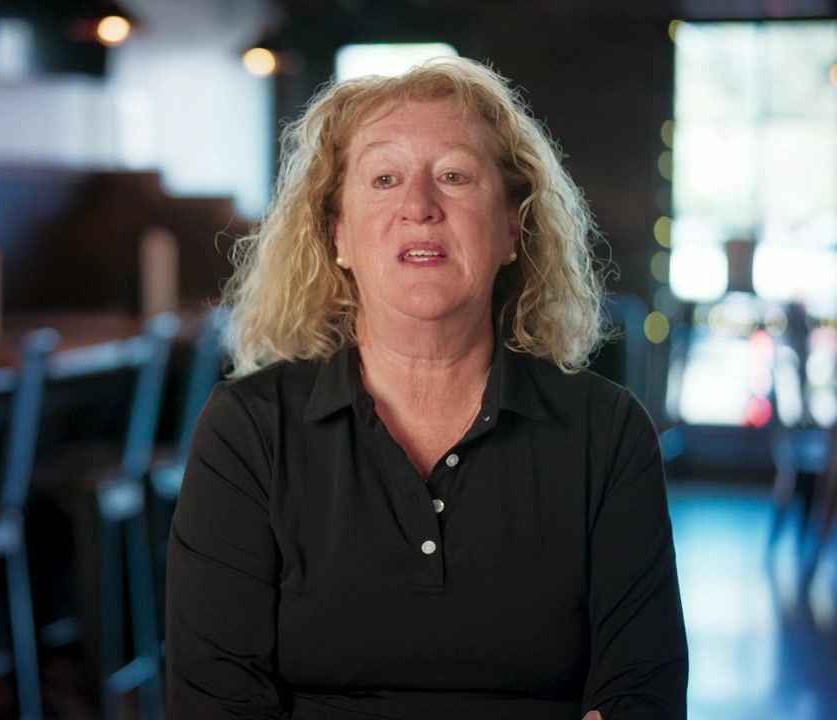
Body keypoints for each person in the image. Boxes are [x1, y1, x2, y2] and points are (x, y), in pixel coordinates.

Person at [164, 57, 688, 719]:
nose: (419, 206)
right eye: (384, 178)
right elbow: (214, 703)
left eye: (454, 176)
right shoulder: (248, 429)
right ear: (337, 235)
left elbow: (643, 696)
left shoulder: (608, 432)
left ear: (511, 227)